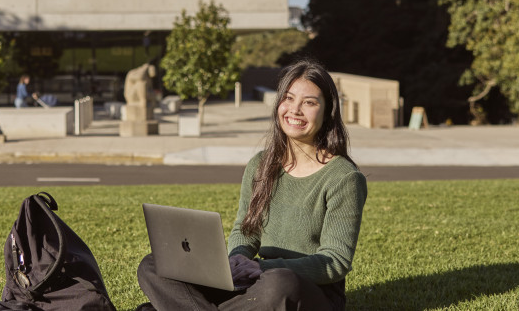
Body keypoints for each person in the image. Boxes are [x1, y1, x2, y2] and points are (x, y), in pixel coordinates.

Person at [136, 59, 367, 311]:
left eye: (309, 102)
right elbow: (246, 231)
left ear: (327, 110)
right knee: (157, 263)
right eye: (288, 99)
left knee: (280, 283)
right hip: (256, 282)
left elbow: (335, 262)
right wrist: (235, 261)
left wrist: (262, 267)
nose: (295, 110)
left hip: (303, 290)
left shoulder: (343, 177)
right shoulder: (260, 164)